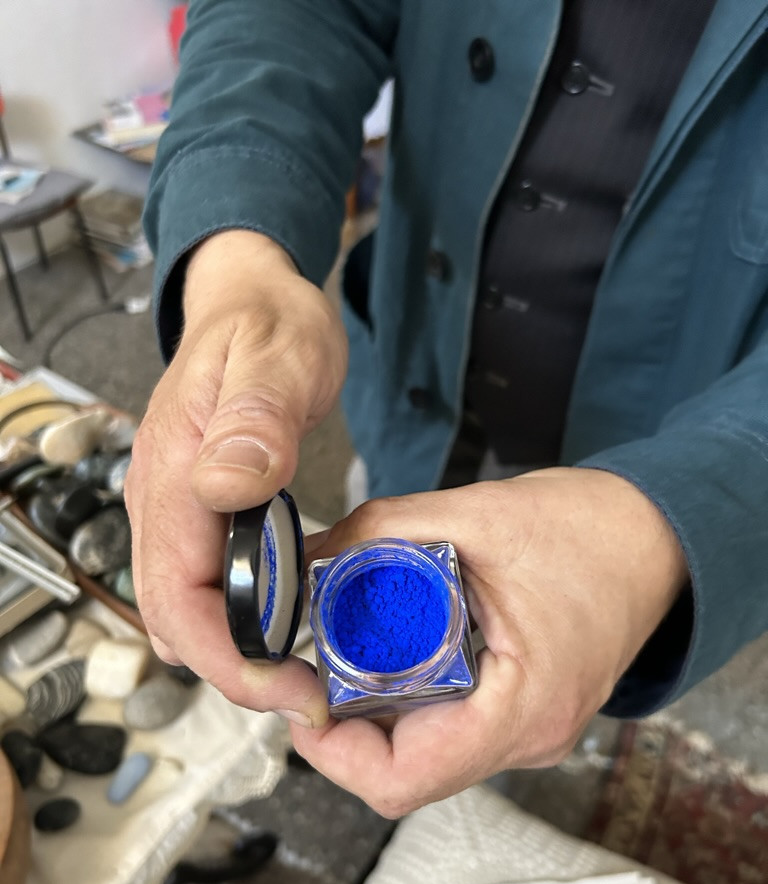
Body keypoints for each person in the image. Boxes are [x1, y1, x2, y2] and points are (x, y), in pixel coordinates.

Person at [125, 0, 768, 819]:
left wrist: (680, 521)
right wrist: (234, 269)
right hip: (409, 373)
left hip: (681, 435)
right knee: (395, 555)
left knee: (526, 716)